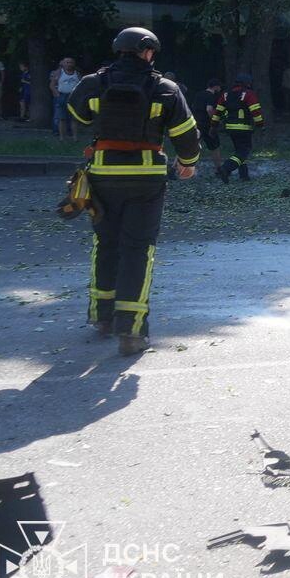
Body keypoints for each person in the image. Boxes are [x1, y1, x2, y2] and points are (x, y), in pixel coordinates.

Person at [66, 27, 201, 354]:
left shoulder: (93, 83)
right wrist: (188, 162)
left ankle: (103, 318)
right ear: (148, 52)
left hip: (102, 176)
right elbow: (186, 133)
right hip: (146, 179)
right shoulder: (165, 88)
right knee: (138, 249)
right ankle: (132, 332)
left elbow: (76, 112)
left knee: (106, 243)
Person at [212, 72, 265, 182]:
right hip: (244, 128)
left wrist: (213, 126)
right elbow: (255, 111)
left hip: (230, 128)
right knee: (244, 151)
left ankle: (244, 175)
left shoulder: (225, 94)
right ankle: (226, 169)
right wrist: (260, 125)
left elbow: (218, 112)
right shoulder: (249, 94)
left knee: (239, 150)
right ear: (247, 83)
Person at [194, 78, 224, 170]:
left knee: (191, 146)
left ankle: (174, 169)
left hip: (196, 123)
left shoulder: (198, 94)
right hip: (207, 125)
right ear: (215, 87)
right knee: (215, 147)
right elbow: (209, 109)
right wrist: (214, 120)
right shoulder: (211, 96)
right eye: (219, 87)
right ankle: (219, 169)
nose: (220, 89)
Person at [51, 56, 82, 139]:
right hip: (62, 96)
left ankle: (75, 137)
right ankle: (62, 138)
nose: (69, 64)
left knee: (74, 118)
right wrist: (57, 94)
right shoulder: (59, 73)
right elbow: (52, 85)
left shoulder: (77, 73)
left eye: (70, 62)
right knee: (62, 118)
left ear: (74, 64)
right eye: (67, 62)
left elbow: (82, 85)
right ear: (63, 64)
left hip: (73, 97)